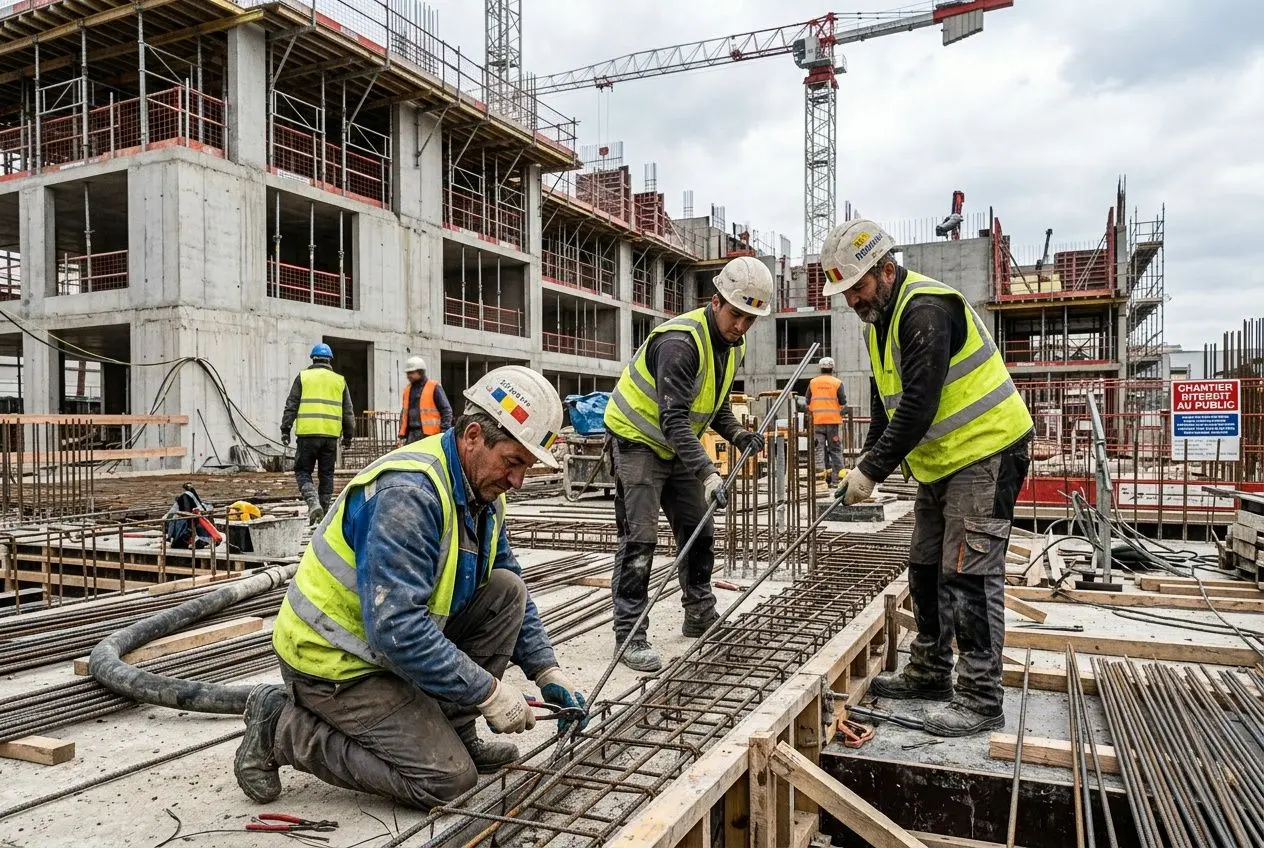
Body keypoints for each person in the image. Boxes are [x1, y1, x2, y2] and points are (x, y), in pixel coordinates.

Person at [236, 365, 587, 809]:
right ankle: (282, 729)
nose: (517, 481)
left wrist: (545, 670)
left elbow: (508, 576)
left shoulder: (484, 494)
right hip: (336, 662)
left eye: (527, 466)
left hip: (388, 648)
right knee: (447, 781)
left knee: (505, 591)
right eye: (513, 462)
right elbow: (398, 629)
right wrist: (489, 693)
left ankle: (455, 729)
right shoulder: (410, 495)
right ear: (474, 436)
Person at [820, 218, 1034, 737]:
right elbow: (886, 406)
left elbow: (918, 405)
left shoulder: (925, 310)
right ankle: (931, 672)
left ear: (886, 271)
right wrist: (862, 462)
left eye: (858, 287)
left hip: (986, 453)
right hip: (942, 463)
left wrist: (871, 473)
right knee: (924, 569)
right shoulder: (882, 322)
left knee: (968, 575)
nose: (851, 301)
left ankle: (981, 698)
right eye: (845, 292)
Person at [603, 255, 772, 673]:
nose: (741, 326)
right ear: (716, 302)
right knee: (640, 539)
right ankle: (630, 636)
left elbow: (710, 404)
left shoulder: (732, 344)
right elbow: (674, 417)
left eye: (750, 319)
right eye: (736, 314)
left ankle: (699, 612)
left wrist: (737, 434)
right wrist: (709, 473)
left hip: (676, 445)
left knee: (698, 531)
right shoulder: (680, 343)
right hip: (638, 440)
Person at [280, 343, 355, 525]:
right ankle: (324, 515)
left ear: (313, 359)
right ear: (329, 360)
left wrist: (285, 429)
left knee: (302, 471)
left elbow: (292, 404)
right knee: (326, 475)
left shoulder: (303, 377)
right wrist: (348, 436)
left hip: (307, 435)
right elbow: (348, 411)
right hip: (330, 437)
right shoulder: (339, 380)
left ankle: (313, 503)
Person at [807, 356, 847, 487]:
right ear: (832, 368)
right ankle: (838, 480)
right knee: (835, 450)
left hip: (817, 422)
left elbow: (807, 401)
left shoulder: (813, 382)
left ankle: (820, 482)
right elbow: (843, 402)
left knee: (818, 450)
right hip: (832, 423)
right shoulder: (837, 383)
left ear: (820, 368)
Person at [398, 355, 453, 445]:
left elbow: (446, 411)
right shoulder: (407, 390)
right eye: (408, 373)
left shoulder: (434, 387)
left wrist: (444, 433)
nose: (408, 376)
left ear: (420, 372)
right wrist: (401, 436)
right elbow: (404, 414)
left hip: (430, 436)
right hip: (411, 436)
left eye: (411, 373)